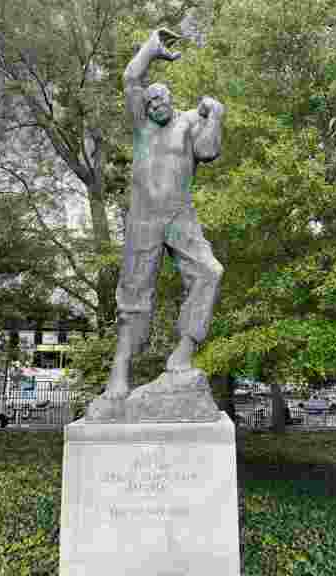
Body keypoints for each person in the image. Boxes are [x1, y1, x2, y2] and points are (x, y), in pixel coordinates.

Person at [103, 28, 226, 399]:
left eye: (162, 98)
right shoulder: (141, 126)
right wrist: (151, 49)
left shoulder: (188, 123)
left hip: (179, 217)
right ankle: (119, 372)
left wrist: (215, 114)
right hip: (143, 219)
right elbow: (130, 77)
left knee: (210, 272)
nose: (156, 103)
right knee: (134, 294)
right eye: (150, 100)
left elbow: (207, 152)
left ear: (172, 100)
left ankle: (182, 354)